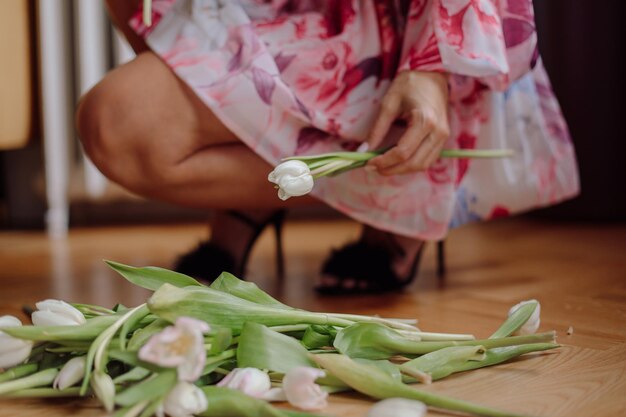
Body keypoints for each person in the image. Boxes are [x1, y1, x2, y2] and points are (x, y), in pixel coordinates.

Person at [77, 0, 579, 294]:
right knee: (118, 124)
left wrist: (430, 65)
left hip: (387, 20)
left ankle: (403, 181)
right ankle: (266, 190)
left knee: (116, 119)